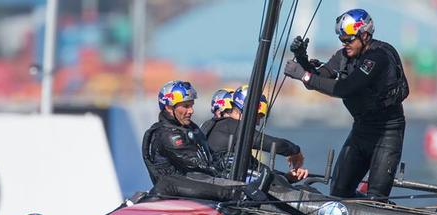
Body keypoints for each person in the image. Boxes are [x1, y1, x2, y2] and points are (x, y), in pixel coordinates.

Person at [284, 8, 409, 199]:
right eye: (341, 39)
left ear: (365, 35)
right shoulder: (343, 56)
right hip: (361, 130)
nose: (344, 44)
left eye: (349, 39)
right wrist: (302, 59)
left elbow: (345, 88)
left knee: (376, 198)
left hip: (387, 133)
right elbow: (319, 79)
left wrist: (304, 75)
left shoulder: (378, 57)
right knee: (339, 192)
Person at [142, 80, 270, 202]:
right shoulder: (167, 135)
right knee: (238, 191)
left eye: (191, 105)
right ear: (169, 108)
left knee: (245, 186)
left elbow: (207, 159)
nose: (191, 110)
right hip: (176, 188)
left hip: (196, 180)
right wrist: (223, 166)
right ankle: (242, 194)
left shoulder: (187, 128)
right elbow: (199, 164)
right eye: (186, 106)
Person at [201, 85, 308, 180]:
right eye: (257, 117)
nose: (257, 123)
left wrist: (286, 177)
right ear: (246, 111)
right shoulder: (228, 125)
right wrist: (294, 150)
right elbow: (273, 144)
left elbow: (257, 168)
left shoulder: (222, 128)